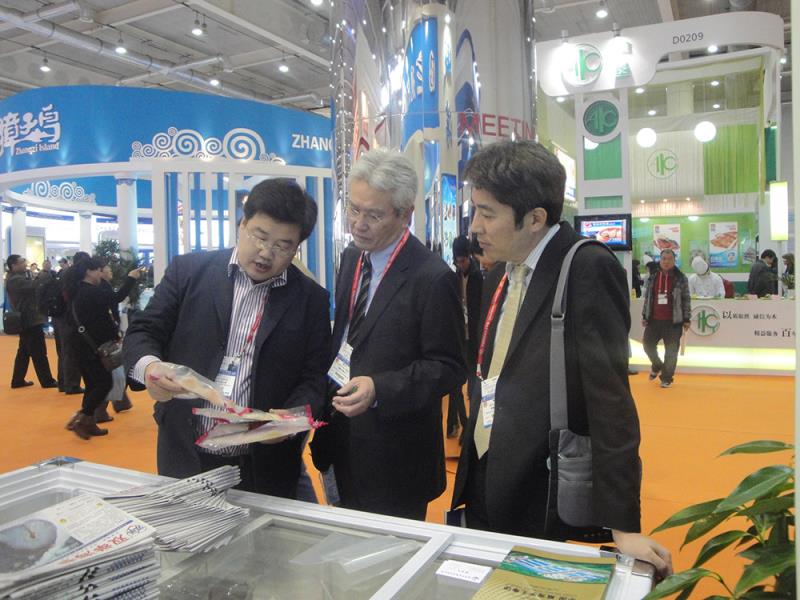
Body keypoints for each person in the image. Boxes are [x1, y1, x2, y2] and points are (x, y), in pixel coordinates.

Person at [451, 140, 672, 578]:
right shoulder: (499, 272)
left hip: (542, 486)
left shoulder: (586, 267)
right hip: (483, 470)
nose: (475, 226)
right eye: (475, 210)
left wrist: (624, 526)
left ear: (535, 218)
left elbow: (610, 402)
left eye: (487, 213)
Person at [123, 178, 331, 499]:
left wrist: (290, 419)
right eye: (259, 236)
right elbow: (144, 330)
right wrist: (150, 368)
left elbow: (314, 377)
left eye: (282, 246)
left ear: (296, 247)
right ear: (242, 224)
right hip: (186, 449)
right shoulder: (189, 271)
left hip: (264, 462)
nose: (266, 253)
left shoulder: (311, 299)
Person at [313, 149, 467, 521]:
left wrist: (380, 389)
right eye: (353, 209)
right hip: (341, 437)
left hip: (396, 458)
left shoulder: (432, 277)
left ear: (405, 214)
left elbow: (448, 367)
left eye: (374, 215)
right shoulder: (352, 258)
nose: (358, 224)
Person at [64, 258, 141, 439]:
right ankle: (82, 418)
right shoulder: (90, 292)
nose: (101, 273)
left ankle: (89, 421)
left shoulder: (78, 291)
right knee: (103, 383)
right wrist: (131, 278)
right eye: (99, 270)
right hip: (92, 346)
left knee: (92, 384)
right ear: (89, 272)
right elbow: (116, 298)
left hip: (82, 344)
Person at [447, 235, 482, 440]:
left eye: (463, 261)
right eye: (457, 261)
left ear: (469, 257)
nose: (460, 265)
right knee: (455, 382)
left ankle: (467, 427)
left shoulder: (478, 278)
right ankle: (458, 423)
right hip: (459, 336)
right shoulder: (455, 277)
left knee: (472, 385)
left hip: (474, 339)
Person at [5, 255, 58, 390]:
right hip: (29, 319)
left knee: (24, 352)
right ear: (13, 266)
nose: (25, 264)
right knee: (39, 351)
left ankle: (17, 380)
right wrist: (42, 275)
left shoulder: (15, 278)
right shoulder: (16, 280)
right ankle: (47, 380)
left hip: (26, 319)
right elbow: (34, 286)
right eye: (22, 262)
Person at [641, 249, 691, 388]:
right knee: (647, 345)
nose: (666, 261)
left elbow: (686, 299)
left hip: (673, 321)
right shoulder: (653, 276)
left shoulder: (681, 278)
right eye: (664, 259)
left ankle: (667, 378)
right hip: (653, 320)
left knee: (671, 352)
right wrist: (645, 315)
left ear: (674, 261)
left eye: (670, 259)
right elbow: (648, 298)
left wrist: (687, 318)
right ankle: (657, 365)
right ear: (660, 260)